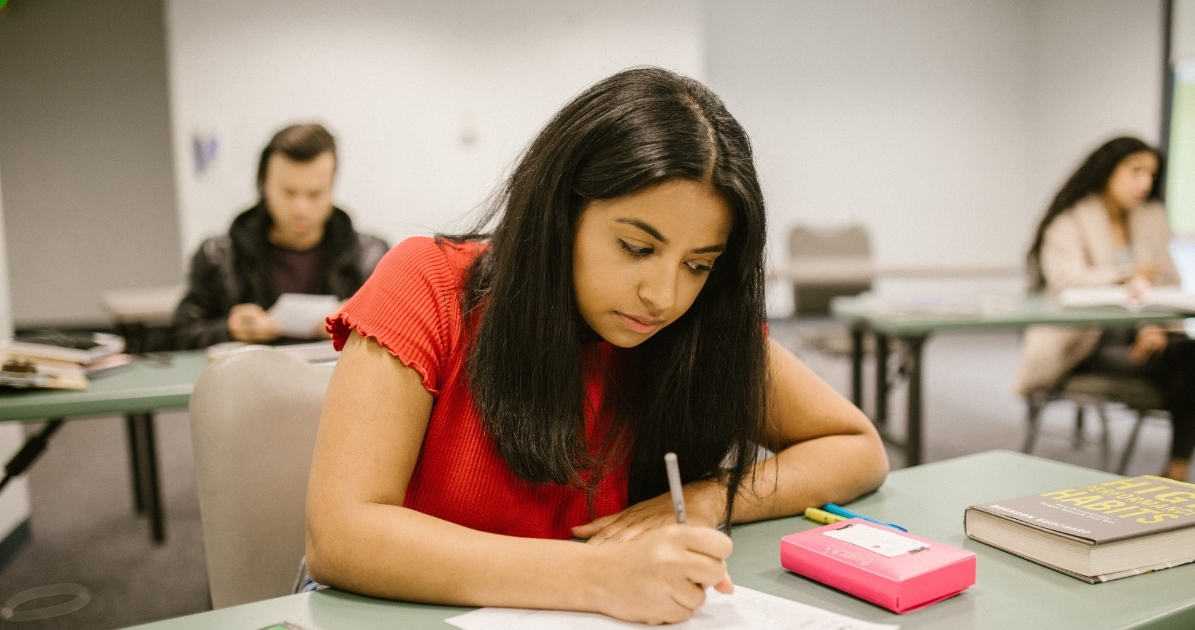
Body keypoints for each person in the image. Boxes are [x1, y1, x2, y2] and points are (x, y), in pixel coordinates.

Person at [304, 68, 889, 624]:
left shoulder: (699, 327)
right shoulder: (429, 284)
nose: (663, 296)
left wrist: (712, 499)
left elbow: (856, 447)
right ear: (561, 211)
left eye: (698, 264)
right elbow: (341, 536)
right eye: (637, 248)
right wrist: (597, 576)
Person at [1017, 136, 1195, 481]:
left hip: (1145, 336)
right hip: (1086, 341)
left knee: (1194, 357)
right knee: (1191, 370)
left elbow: (1165, 284)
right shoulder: (1070, 219)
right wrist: (1123, 274)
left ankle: (1177, 467)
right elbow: (1065, 281)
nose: (1144, 183)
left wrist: (1155, 326)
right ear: (1107, 171)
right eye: (1135, 172)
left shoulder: (1150, 219)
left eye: (1151, 174)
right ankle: (1176, 474)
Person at [172, 123, 389, 349]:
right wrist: (228, 330)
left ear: (332, 185)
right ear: (264, 184)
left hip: (338, 382)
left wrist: (356, 324)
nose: (300, 208)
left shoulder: (370, 256)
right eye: (288, 192)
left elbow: (401, 339)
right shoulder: (218, 256)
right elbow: (179, 337)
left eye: (315, 194)